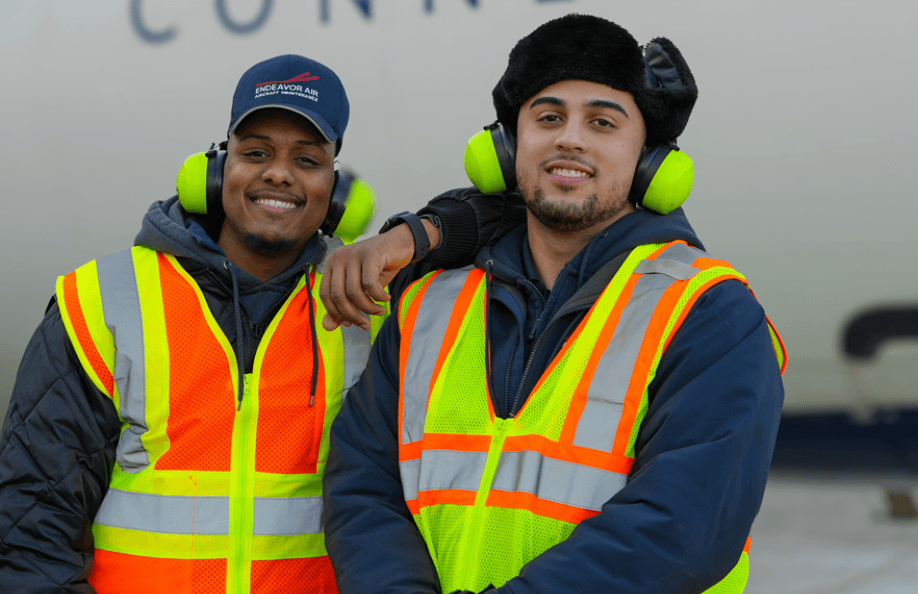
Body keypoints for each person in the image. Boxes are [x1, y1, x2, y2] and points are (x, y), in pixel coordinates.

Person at [0, 53, 502, 593]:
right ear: (215, 170)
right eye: (255, 152)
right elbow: (31, 530)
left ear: (337, 193)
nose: (278, 172)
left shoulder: (368, 306)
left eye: (307, 159)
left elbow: (531, 214)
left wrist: (409, 236)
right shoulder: (102, 303)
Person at [321, 14, 787, 594]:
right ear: (506, 148)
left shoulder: (710, 312)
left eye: (602, 121)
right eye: (548, 117)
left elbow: (680, 527)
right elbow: (363, 489)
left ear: (650, 161)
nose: (570, 137)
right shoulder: (426, 308)